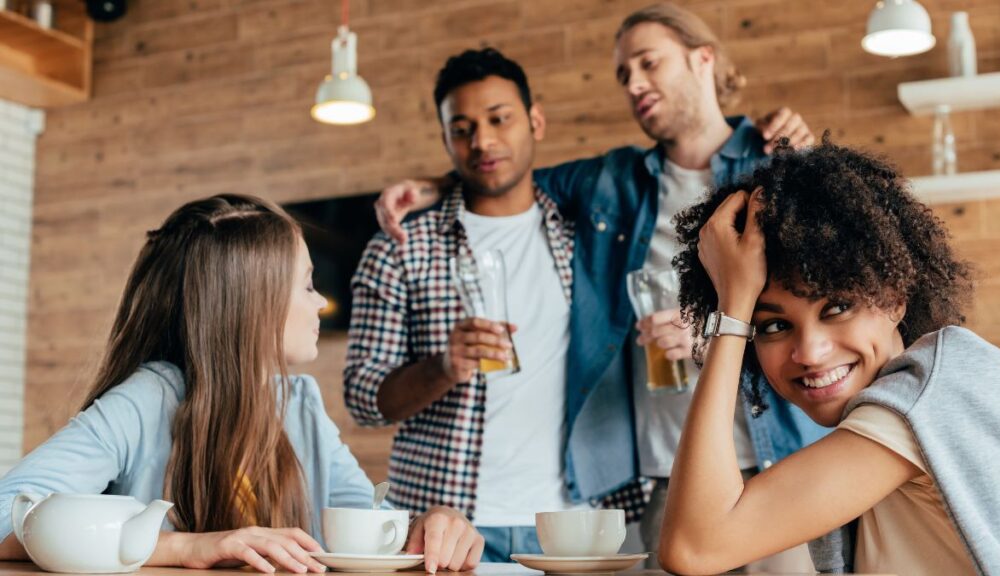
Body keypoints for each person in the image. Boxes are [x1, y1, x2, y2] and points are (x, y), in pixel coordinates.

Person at [374, 5, 826, 570]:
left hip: (776, 463)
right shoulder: (616, 180)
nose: (634, 83)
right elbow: (506, 173)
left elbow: (821, 309)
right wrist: (432, 184)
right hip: (668, 474)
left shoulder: (777, 166)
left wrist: (713, 334)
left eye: (648, 63)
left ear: (702, 58)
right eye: (622, 74)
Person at [0, 194, 482, 574]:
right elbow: (6, 514)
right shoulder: (148, 399)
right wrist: (187, 548)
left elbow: (366, 527)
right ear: (254, 304)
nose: (320, 304)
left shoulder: (301, 404)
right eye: (308, 285)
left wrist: (431, 524)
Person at [660, 137, 1000, 575]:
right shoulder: (908, 402)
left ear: (894, 297)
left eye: (836, 308)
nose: (810, 352)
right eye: (773, 325)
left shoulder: (927, 395)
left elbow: (695, 547)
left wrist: (733, 310)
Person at [344, 48, 648, 563]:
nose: (482, 141)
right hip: (442, 528)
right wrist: (442, 368)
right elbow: (362, 397)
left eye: (499, 119)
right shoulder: (400, 247)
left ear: (536, 121)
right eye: (461, 128)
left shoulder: (587, 237)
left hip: (574, 525)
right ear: (445, 140)